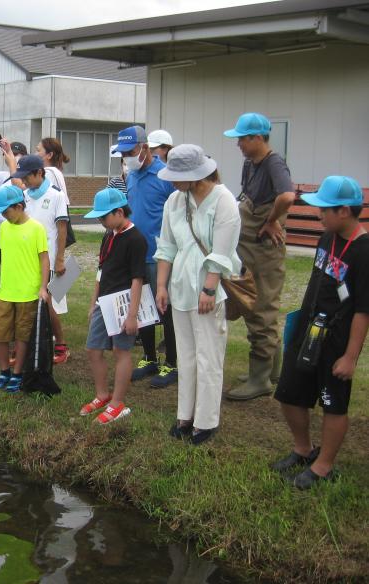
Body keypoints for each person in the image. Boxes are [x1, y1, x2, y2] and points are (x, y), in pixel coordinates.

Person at [272, 176, 368, 489]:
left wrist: (350, 357)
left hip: (337, 339)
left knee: (333, 403)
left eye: (325, 209)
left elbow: (362, 310)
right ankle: (303, 449)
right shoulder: (327, 237)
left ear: (345, 211)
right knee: (288, 391)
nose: (318, 214)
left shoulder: (363, 252)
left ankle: (324, 465)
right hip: (308, 330)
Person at [154, 145, 242, 445]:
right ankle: (184, 415)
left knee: (209, 357)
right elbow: (166, 246)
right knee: (187, 355)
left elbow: (222, 252)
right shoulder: (174, 201)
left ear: (196, 175)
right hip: (179, 288)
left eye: (178, 176)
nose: (172, 182)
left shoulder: (224, 201)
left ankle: (206, 421)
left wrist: (209, 287)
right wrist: (162, 285)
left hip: (208, 291)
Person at [223, 113, 296, 401]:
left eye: (242, 138)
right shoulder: (250, 163)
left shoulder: (274, 163)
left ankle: (260, 378)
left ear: (257, 138)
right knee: (257, 303)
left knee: (260, 306)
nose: (238, 143)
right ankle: (271, 372)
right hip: (250, 246)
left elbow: (288, 196)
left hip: (264, 249)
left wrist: (271, 220)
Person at [112, 125, 179, 389]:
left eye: (130, 151)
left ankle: (173, 362)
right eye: (123, 153)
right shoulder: (131, 176)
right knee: (143, 310)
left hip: (160, 255)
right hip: (137, 254)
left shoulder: (165, 175)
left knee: (166, 311)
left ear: (144, 148)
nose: (126, 157)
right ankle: (150, 357)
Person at [81, 188, 147, 424]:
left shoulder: (136, 239)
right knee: (93, 348)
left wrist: (132, 315)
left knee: (121, 351)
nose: (101, 222)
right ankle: (102, 394)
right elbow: (101, 270)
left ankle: (117, 403)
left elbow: (137, 278)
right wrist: (93, 302)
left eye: (103, 217)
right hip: (103, 301)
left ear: (119, 212)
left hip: (123, 302)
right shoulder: (109, 235)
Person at [0, 184, 50, 393]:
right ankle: (4, 370)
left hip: (28, 292)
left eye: (6, 211)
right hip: (5, 291)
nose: (4, 216)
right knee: (0, 333)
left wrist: (43, 287)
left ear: (19, 206)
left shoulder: (36, 228)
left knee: (23, 334)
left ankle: (17, 372)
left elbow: (44, 259)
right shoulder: (4, 227)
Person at [12, 154, 71, 364]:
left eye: (27, 176)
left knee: (47, 303)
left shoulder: (56, 195)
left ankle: (61, 346)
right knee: (26, 302)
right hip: (26, 258)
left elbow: (62, 228)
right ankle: (26, 346)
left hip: (48, 257)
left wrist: (60, 259)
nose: (24, 181)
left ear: (39, 173)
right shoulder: (25, 195)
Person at [36, 137, 70, 202]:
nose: (35, 154)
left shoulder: (48, 173)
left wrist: (11, 159)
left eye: (38, 150)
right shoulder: (53, 171)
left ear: (49, 155)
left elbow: (23, 188)